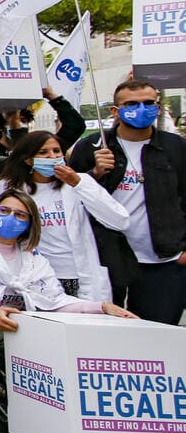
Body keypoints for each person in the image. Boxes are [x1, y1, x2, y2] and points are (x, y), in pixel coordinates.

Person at [68, 79, 186, 325]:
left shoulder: (175, 146)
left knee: (159, 331)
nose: (141, 109)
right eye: (132, 104)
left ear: (158, 106)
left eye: (148, 103)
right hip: (107, 257)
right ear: (115, 110)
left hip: (163, 259)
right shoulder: (91, 147)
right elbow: (72, 200)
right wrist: (95, 174)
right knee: (110, 333)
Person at [0, 189, 138, 368]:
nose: (10, 217)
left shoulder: (33, 258)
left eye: (20, 215)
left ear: (29, 223)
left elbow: (55, 301)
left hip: (22, 325)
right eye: (4, 211)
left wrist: (102, 307)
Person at [0, 131, 128, 301]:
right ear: (28, 159)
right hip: (33, 276)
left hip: (78, 275)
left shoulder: (79, 182)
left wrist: (78, 183)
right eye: (43, 152)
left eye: (56, 151)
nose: (52, 156)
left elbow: (120, 221)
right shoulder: (4, 189)